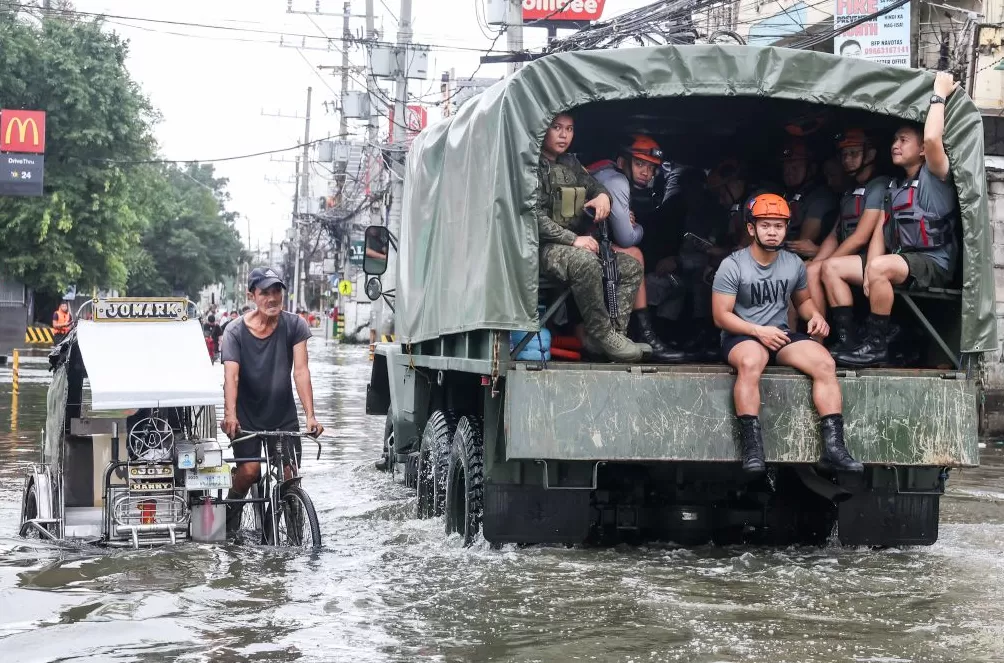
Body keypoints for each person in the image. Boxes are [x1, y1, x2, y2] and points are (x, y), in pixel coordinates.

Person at [711, 193, 863, 474]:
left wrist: (815, 316)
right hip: (743, 335)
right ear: (751, 228)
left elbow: (803, 302)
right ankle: (753, 450)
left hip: (780, 335)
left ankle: (834, 449)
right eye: (765, 225)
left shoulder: (793, 264)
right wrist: (758, 331)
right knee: (751, 362)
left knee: (824, 362)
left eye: (778, 226)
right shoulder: (732, 265)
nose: (772, 231)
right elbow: (721, 316)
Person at [835, 73, 961, 367]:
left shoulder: (934, 177)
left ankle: (876, 346)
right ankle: (850, 342)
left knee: (880, 267)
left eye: (903, 140)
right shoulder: (894, 186)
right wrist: (870, 271)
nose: (895, 144)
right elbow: (881, 232)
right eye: (894, 140)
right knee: (832, 268)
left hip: (934, 264)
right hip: (902, 261)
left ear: (921, 150)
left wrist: (939, 93)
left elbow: (932, 138)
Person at [536, 112, 650, 362]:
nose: (564, 135)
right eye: (557, 128)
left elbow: (594, 185)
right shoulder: (532, 165)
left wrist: (603, 197)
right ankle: (602, 334)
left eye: (569, 129)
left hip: (574, 248)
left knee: (630, 266)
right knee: (586, 262)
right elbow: (533, 216)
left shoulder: (570, 163)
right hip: (543, 249)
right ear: (544, 129)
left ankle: (615, 337)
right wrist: (573, 240)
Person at [221, 267, 325, 535]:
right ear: (252, 296)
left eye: (276, 291)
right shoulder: (234, 331)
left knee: (291, 476)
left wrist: (310, 416)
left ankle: (295, 532)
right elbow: (231, 377)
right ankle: (230, 516)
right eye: (265, 292)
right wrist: (230, 414)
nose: (272, 298)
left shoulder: (295, 325)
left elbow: (301, 372)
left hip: (283, 415)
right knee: (250, 472)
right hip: (247, 416)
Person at [587, 135, 684, 362]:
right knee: (635, 254)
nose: (646, 173)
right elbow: (627, 238)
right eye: (640, 164)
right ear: (623, 162)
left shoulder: (606, 173)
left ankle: (636, 333)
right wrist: (638, 227)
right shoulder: (617, 181)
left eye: (651, 168)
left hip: (583, 240)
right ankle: (644, 335)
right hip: (579, 244)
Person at [807, 129, 892, 351]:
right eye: (844, 155)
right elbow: (835, 234)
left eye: (854, 153)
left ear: (870, 154)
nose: (847, 160)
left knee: (825, 268)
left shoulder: (879, 186)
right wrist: (817, 260)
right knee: (810, 269)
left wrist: (826, 263)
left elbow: (861, 237)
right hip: (851, 258)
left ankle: (847, 340)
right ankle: (818, 340)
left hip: (874, 257)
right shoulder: (850, 190)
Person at [780, 139, 837, 260]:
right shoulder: (787, 195)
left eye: (795, 166)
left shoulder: (820, 197)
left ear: (812, 167)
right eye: (786, 165)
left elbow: (801, 244)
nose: (789, 170)